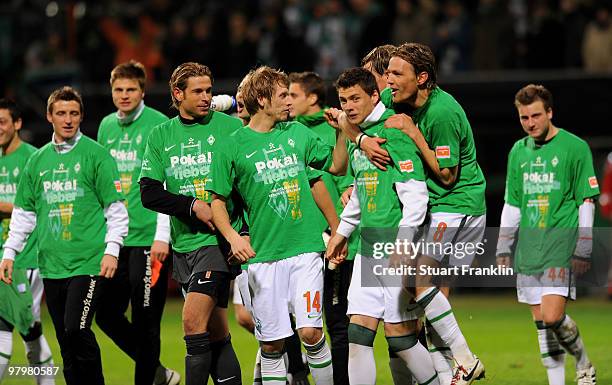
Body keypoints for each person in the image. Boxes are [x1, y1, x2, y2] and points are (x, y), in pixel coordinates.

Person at [338, 42, 486, 384]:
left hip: (456, 203)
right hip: (432, 205)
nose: (387, 81)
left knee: (417, 281)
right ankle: (454, 373)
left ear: (421, 78)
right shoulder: (392, 98)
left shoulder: (442, 112)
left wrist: (413, 132)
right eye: (386, 73)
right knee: (423, 304)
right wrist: (361, 142)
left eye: (394, 74)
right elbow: (349, 116)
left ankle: (464, 359)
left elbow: (447, 176)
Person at [209, 66, 349, 385]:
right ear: (262, 99)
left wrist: (342, 131)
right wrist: (233, 237)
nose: (289, 101)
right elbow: (216, 201)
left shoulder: (297, 133)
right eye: (283, 95)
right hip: (262, 256)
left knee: (311, 332)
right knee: (271, 344)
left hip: (305, 250)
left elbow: (337, 167)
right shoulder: (232, 145)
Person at [0, 86, 129, 385]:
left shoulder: (97, 156)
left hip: (89, 262)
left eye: (73, 113)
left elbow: (117, 210)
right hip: (51, 264)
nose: (68, 119)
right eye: (61, 113)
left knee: (76, 328)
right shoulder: (38, 161)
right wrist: (9, 253)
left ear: (81, 116)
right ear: (49, 117)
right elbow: (24, 214)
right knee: (65, 343)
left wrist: (112, 250)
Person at [325, 67, 439, 385]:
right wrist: (343, 233)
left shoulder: (393, 131)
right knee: (357, 334)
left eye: (355, 98)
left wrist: (404, 244)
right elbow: (362, 192)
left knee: (400, 338)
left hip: (396, 244)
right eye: (343, 99)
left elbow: (416, 197)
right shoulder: (357, 136)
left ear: (374, 95)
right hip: (368, 245)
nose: (348, 106)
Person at [139, 62, 243, 385]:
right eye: (197, 91)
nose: (205, 97)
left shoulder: (228, 128)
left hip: (218, 244)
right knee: (216, 334)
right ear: (177, 93)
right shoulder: (161, 135)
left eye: (209, 91)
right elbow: (149, 193)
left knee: (191, 321)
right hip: (183, 245)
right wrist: (192, 205)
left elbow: (244, 182)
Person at [496, 84, 598, 385]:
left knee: (553, 316)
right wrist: (504, 244)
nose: (530, 123)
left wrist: (584, 247)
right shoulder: (518, 151)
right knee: (542, 323)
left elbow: (585, 201)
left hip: (559, 245)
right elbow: (513, 203)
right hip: (529, 248)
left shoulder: (575, 147)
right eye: (524, 118)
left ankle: (583, 363)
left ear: (550, 112)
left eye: (536, 116)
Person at [95, 60, 179, 385]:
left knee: (147, 320)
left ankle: (148, 378)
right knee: (105, 314)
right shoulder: (105, 127)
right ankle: (157, 372)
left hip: (148, 238)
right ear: (111, 91)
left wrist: (163, 235)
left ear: (143, 91)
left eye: (131, 89)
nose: (125, 95)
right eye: (119, 89)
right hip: (117, 239)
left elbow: (168, 183)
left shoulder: (159, 124)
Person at [287, 71, 352, 385]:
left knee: (336, 319)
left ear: (312, 98)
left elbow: (345, 179)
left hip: (331, 237)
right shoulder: (287, 132)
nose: (288, 101)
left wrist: (338, 231)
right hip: (298, 238)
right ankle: (297, 371)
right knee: (292, 317)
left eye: (293, 95)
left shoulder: (334, 130)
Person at [0, 99, 55, 385]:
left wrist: (4, 206)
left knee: (12, 325)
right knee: (27, 329)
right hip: (4, 257)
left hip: (26, 257)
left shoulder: (34, 159)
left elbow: (43, 206)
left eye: (2, 122)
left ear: (17, 123)